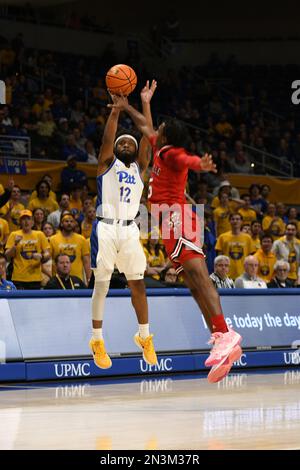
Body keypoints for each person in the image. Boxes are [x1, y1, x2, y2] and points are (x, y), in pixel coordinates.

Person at [111, 84, 242, 383]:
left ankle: (225, 331)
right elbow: (146, 127)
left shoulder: (170, 152)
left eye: (162, 127)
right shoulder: (158, 145)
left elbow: (186, 159)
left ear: (169, 135)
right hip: (166, 222)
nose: (157, 128)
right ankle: (219, 337)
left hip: (179, 218)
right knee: (193, 284)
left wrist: (201, 165)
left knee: (199, 276)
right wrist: (136, 103)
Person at [89, 81, 159, 371]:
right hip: (105, 227)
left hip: (130, 228)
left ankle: (144, 336)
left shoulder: (140, 168)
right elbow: (108, 139)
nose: (127, 144)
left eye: (129, 142)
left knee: (138, 284)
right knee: (102, 284)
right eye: (122, 143)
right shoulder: (107, 163)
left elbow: (148, 135)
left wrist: (144, 103)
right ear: (116, 149)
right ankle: (97, 340)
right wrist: (116, 112)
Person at [5, 210, 50, 290]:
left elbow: (48, 254)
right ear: (20, 222)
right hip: (18, 278)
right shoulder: (14, 235)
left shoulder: (40, 234)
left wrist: (42, 256)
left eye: (28, 219)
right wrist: (15, 245)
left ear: (32, 221)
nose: (26, 222)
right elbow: (7, 256)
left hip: (35, 278)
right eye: (23, 219)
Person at [50, 212, 91, 283]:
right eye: (66, 221)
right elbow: (49, 261)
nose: (69, 223)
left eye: (71, 221)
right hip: (58, 279)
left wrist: (89, 278)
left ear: (75, 224)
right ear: (61, 224)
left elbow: (86, 261)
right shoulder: (53, 239)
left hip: (77, 279)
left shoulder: (81, 239)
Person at [216, 213, 256, 280]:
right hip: (226, 275)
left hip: (243, 275)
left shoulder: (248, 238)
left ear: (241, 221)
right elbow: (219, 258)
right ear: (229, 221)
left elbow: (251, 258)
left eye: (237, 219)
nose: (235, 221)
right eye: (233, 219)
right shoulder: (222, 237)